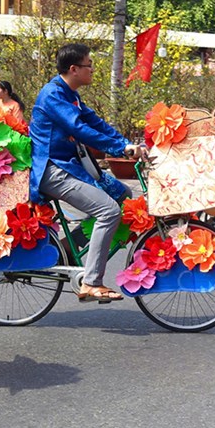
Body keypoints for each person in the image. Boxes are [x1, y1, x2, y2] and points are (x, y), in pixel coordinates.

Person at [29, 44, 146, 303]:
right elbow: (79, 129)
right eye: (89, 65)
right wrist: (119, 148)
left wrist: (127, 144)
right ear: (74, 69)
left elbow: (96, 124)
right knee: (108, 211)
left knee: (123, 195)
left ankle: (70, 246)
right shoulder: (53, 96)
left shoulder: (71, 95)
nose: (93, 69)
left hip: (72, 167)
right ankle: (91, 282)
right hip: (53, 170)